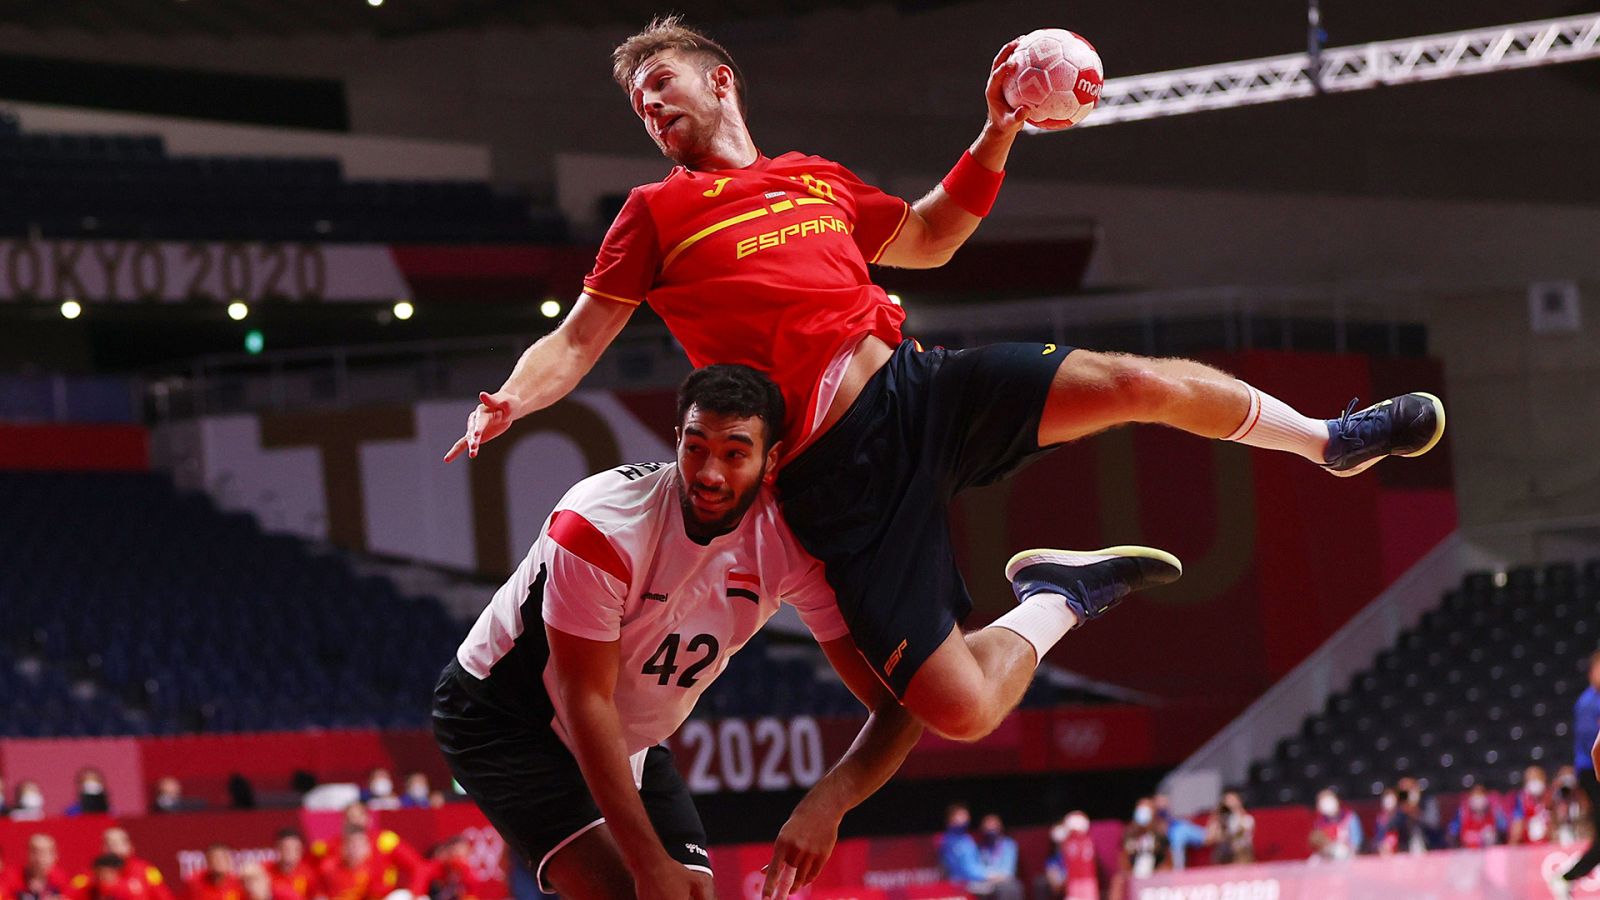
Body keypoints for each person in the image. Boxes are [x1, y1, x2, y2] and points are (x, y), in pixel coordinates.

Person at [445, 15, 1442, 771]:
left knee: (1136, 382)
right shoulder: (655, 212)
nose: (651, 109)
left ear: (720, 80)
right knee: (961, 712)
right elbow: (576, 339)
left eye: (662, 86)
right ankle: (1055, 597)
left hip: (922, 390)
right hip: (840, 482)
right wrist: (509, 399)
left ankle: (1325, 437)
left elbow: (927, 237)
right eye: (638, 106)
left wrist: (997, 128)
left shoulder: (814, 182)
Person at [433, 366, 926, 900]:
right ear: (676, 442)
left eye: (735, 454)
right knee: (634, 891)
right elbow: (585, 699)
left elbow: (903, 702)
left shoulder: (791, 542)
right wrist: (646, 863)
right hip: (507, 716)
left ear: (772, 460)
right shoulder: (601, 524)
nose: (710, 473)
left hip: (625, 734)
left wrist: (828, 803)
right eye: (696, 449)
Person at [1551, 653, 1600, 898]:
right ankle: (1564, 878)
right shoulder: (1587, 703)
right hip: (1593, 772)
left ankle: (1565, 879)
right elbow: (1595, 746)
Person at [1112, 799, 1168, 899]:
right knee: (1118, 880)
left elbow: (1167, 861)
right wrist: (1129, 872)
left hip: (1155, 875)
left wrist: (1158, 873)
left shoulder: (1160, 834)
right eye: (1140, 810)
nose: (1143, 813)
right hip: (1133, 875)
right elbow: (1123, 859)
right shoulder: (1129, 834)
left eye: (1146, 810)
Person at [101, 828, 173, 900]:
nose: (113, 848)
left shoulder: (147, 870)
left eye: (117, 843)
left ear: (129, 846)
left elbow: (163, 895)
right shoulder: (98, 873)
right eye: (109, 844)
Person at [1308, 789, 1362, 862]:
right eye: (1324, 804)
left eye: (1330, 802)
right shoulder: (1319, 823)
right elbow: (1318, 843)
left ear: (1337, 801)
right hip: (1327, 854)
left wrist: (1350, 851)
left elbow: (1356, 841)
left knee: (1340, 852)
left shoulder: (1350, 817)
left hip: (1347, 853)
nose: (1328, 806)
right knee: (1313, 860)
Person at [1204, 790, 1255, 864]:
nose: (1230, 803)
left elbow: (1240, 833)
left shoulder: (1247, 819)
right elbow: (1208, 839)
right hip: (1224, 856)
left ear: (1239, 802)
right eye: (1227, 801)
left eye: (1233, 800)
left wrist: (1237, 810)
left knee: (1241, 850)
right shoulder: (1219, 820)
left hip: (1241, 855)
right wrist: (1216, 817)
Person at [266, 830, 318, 900]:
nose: (291, 853)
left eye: (296, 849)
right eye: (286, 849)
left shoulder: (309, 873)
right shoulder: (266, 872)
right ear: (277, 849)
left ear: (301, 850)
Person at [1448, 785, 1504, 849]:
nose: (1478, 802)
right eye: (1476, 798)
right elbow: (1452, 833)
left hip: (1489, 851)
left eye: (1481, 797)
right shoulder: (1463, 813)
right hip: (1467, 852)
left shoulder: (1493, 812)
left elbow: (1503, 828)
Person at [1509, 766, 1553, 845]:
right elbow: (1517, 829)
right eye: (1531, 779)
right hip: (1529, 846)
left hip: (1549, 844)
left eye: (1537, 777)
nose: (1534, 781)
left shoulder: (1551, 797)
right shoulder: (1521, 799)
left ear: (1543, 779)